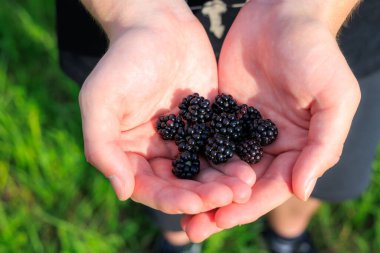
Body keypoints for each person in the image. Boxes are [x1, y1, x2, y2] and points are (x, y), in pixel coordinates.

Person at [56, 0, 380, 252]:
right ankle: (178, 241)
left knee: (307, 175)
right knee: (168, 192)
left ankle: (287, 237)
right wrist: (133, 13)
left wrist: (308, 11)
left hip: (328, 34)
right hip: (122, 30)